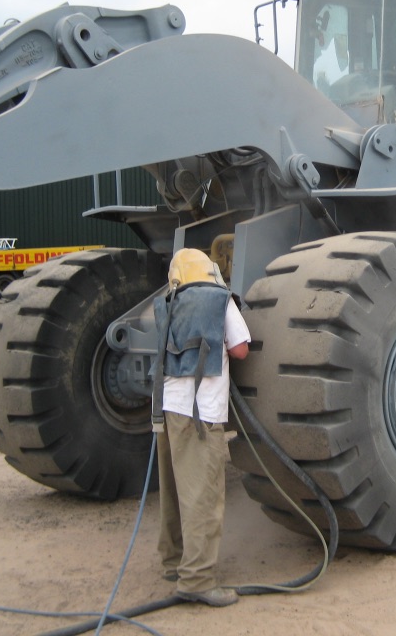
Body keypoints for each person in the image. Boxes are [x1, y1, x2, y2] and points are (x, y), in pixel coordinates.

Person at [154, 248, 250, 607]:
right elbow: (239, 349)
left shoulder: (167, 301)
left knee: (174, 491)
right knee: (203, 496)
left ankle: (173, 560)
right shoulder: (218, 299)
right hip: (200, 414)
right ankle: (196, 580)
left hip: (166, 408)